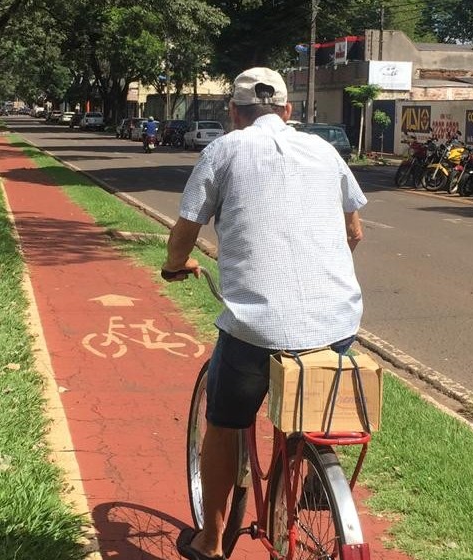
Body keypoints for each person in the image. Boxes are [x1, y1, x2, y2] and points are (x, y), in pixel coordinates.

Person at [161, 67, 367, 560]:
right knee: (308, 412)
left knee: (226, 422)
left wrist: (174, 267)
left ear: (234, 113)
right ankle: (313, 478)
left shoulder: (224, 150)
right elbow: (354, 232)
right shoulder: (324, 150)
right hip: (336, 325)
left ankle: (211, 541)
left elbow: (185, 230)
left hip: (254, 332)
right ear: (289, 111)